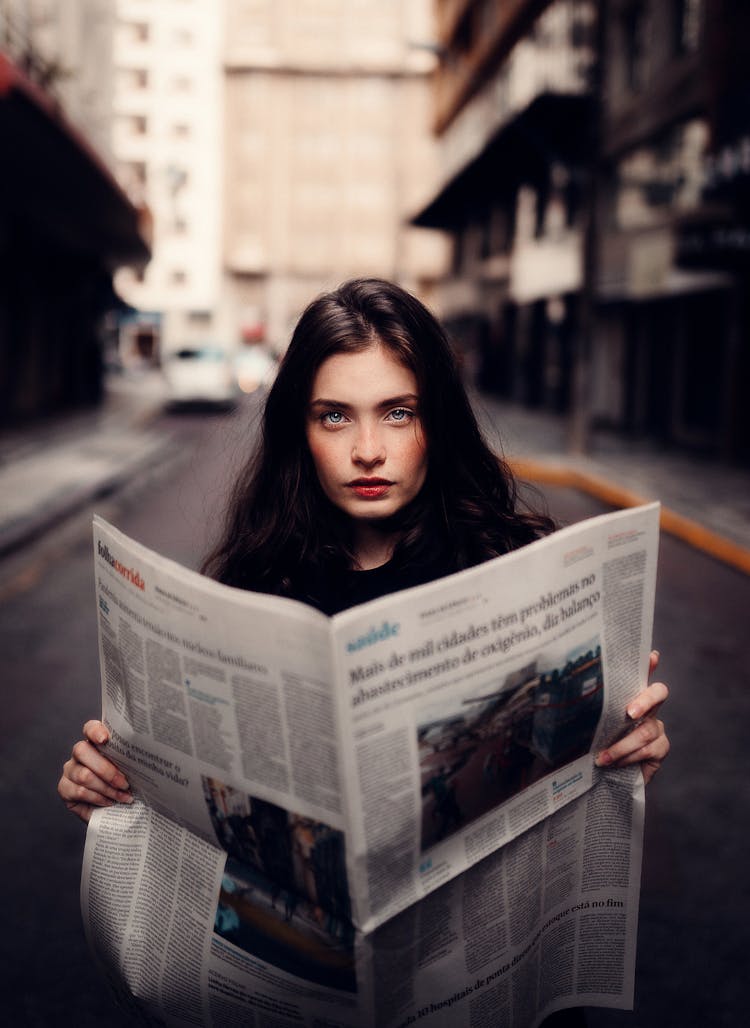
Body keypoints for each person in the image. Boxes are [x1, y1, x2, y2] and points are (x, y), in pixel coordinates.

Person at [57, 279, 669, 1019]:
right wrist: (115, 795)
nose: (368, 451)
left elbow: (566, 811)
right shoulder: (248, 590)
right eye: (335, 416)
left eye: (398, 413)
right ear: (299, 430)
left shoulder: (517, 572)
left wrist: (623, 748)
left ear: (435, 422)